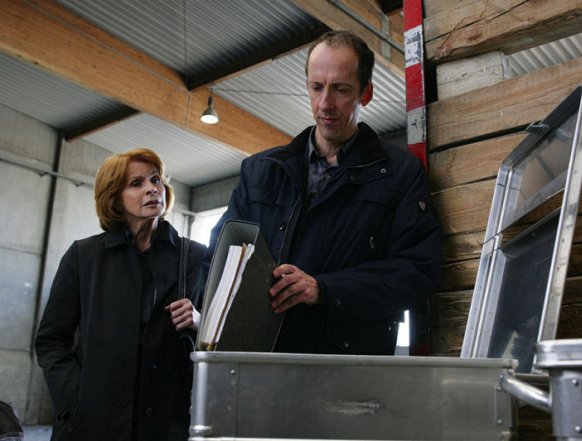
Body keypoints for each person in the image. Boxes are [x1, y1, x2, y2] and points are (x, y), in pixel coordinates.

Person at [204, 30, 441, 356]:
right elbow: (219, 257)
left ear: (366, 93)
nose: (325, 104)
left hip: (347, 367)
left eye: (341, 89)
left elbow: (416, 273)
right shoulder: (260, 171)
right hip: (261, 359)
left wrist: (326, 289)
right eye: (317, 88)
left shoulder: (399, 174)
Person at [35, 148, 206, 441]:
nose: (152, 189)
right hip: (91, 424)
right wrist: (74, 400)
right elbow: (51, 340)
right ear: (113, 197)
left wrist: (199, 319)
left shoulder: (195, 257)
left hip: (166, 424)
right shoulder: (84, 256)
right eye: (136, 183)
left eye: (156, 179)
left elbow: (223, 335)